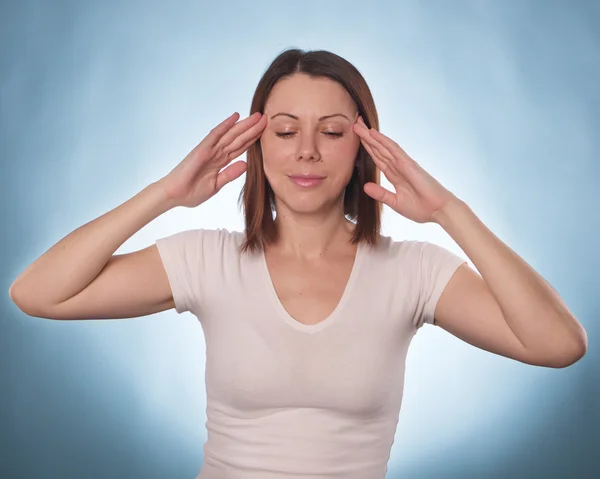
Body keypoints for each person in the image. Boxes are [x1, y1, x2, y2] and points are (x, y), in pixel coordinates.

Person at [9, 48, 587, 479]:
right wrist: (165, 193)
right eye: (285, 131)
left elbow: (559, 344)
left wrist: (450, 212)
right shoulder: (207, 259)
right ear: (258, 144)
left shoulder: (413, 271)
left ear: (361, 147)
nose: (306, 150)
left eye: (332, 132)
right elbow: (37, 293)